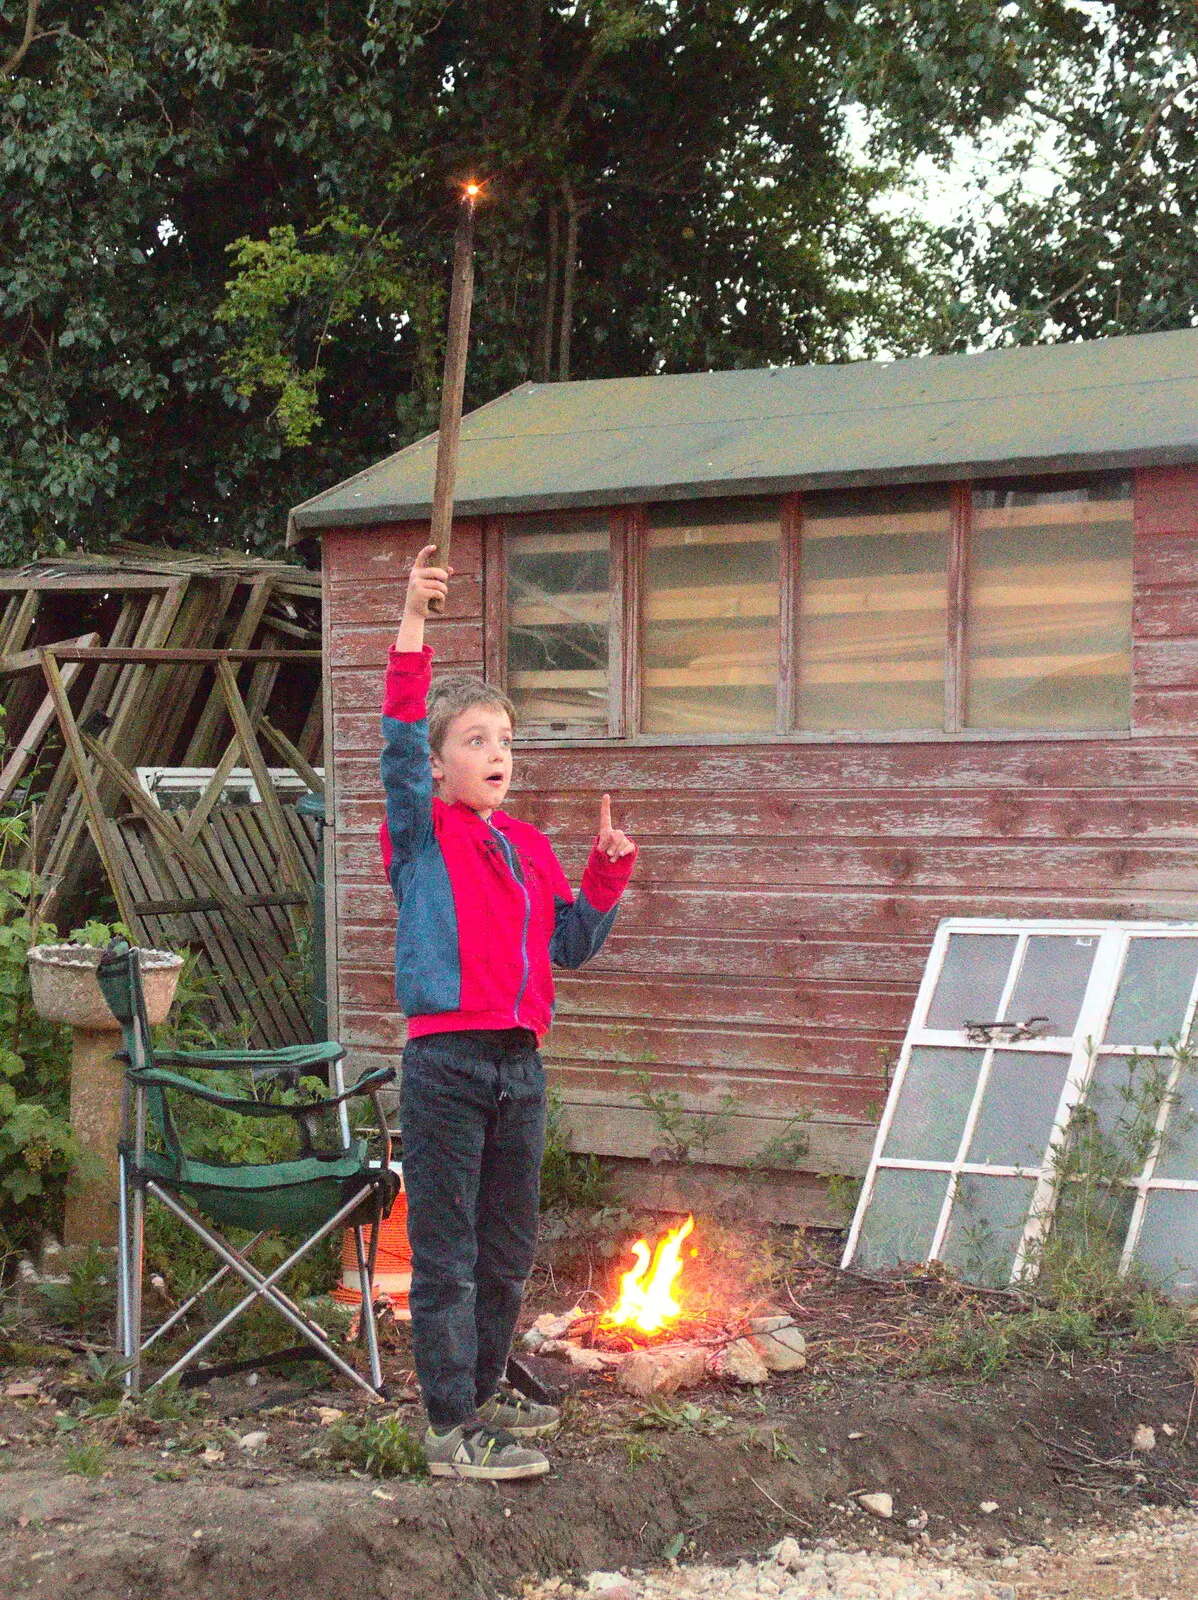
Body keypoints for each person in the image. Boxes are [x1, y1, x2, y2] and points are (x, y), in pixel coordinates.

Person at [379, 544, 637, 1480]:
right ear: (439, 764)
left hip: (519, 1068)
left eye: (506, 740)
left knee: (506, 1252)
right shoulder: (417, 833)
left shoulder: (526, 844)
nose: (498, 755)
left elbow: (568, 945)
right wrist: (413, 617)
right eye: (477, 741)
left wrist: (606, 869)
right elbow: (398, 732)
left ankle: (481, 1397)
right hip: (446, 1064)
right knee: (445, 1254)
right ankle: (448, 1428)